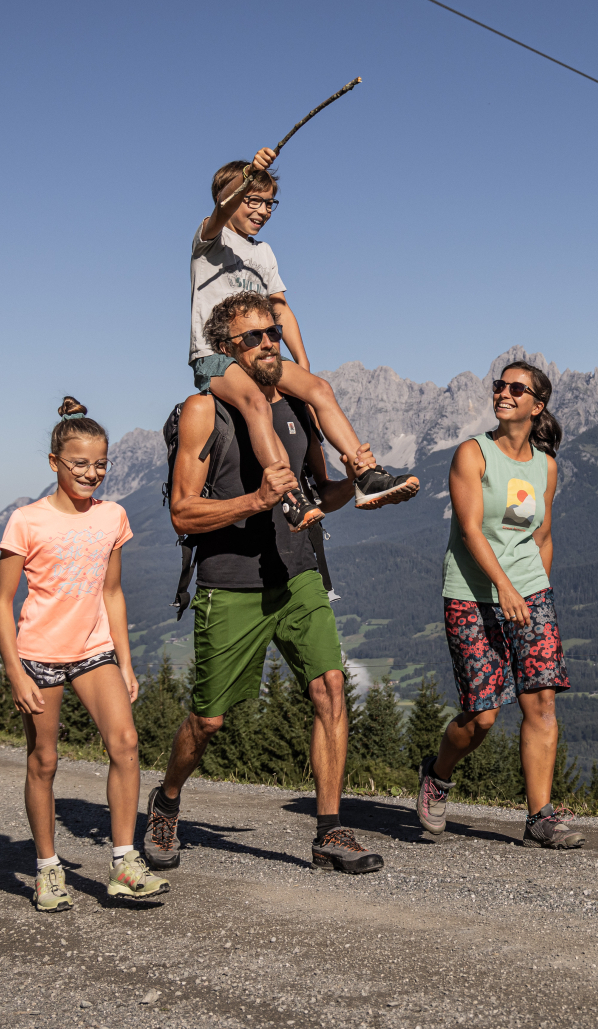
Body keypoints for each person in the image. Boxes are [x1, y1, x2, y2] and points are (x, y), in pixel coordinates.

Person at [147, 292, 408, 874]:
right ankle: (166, 801)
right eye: (253, 338)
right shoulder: (202, 412)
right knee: (208, 719)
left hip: (299, 574)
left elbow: (319, 498)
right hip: (231, 580)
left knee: (330, 690)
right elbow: (183, 515)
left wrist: (354, 484)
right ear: (224, 352)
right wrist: (255, 500)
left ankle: (330, 831)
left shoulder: (295, 405)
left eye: (273, 333)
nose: (270, 344)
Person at [0, 397, 170, 912]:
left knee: (127, 744)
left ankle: (124, 865)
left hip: (95, 652)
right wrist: (15, 672)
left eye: (100, 464)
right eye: (79, 464)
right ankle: (48, 870)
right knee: (44, 760)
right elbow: (3, 602)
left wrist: (126, 661)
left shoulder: (113, 516)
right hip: (40, 656)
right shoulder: (26, 521)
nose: (91, 473)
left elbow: (112, 592)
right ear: (54, 463)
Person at [191, 148, 417, 529]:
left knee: (320, 389)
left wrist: (302, 364)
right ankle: (289, 494)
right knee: (254, 403)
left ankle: (366, 475)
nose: (263, 211)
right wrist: (247, 176)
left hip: (259, 354)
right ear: (230, 197)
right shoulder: (209, 241)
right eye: (253, 201)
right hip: (217, 356)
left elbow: (280, 308)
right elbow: (221, 212)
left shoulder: (263, 253)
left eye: (269, 204)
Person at [414, 361, 585, 849]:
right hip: (472, 595)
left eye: (516, 388)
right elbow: (470, 531)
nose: (503, 393)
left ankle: (540, 818)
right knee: (483, 715)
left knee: (542, 702)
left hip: (529, 595)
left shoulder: (546, 466)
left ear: (537, 405)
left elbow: (544, 536)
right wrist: (505, 590)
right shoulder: (473, 454)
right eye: (500, 386)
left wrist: (536, 592)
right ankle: (438, 775)